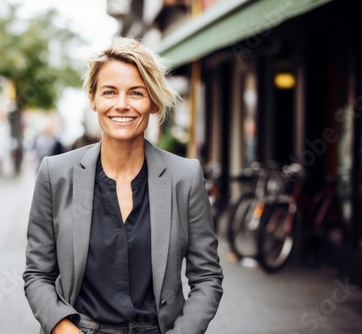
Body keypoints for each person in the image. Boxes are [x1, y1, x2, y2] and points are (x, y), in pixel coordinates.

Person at [23, 37, 223, 334]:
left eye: (136, 93)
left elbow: (206, 277)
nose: (122, 104)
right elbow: (37, 273)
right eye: (109, 92)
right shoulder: (56, 174)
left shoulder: (185, 177)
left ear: (153, 101)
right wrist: (62, 327)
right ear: (93, 98)